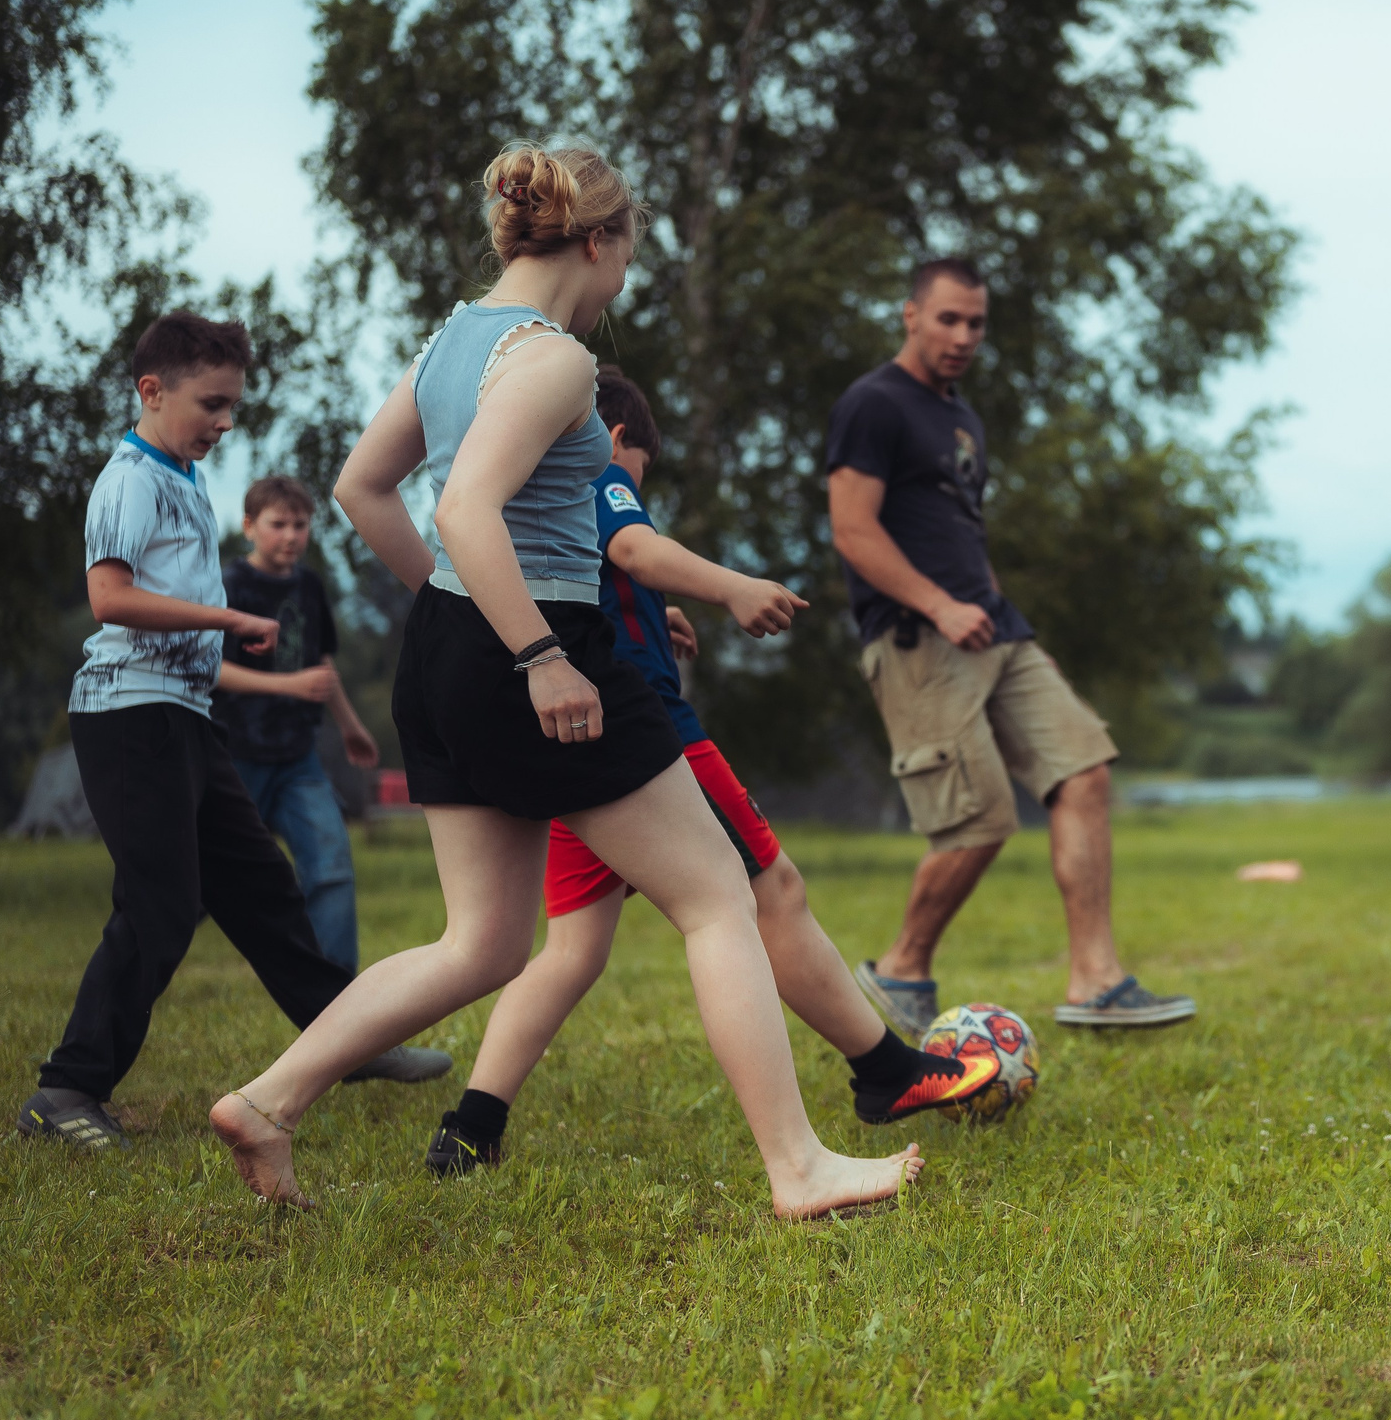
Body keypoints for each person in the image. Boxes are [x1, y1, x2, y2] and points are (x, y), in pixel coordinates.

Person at [211, 143, 923, 1218]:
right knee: (717, 896)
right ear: (600, 240)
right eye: (629, 255)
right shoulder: (554, 360)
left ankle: (270, 1101)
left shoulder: (455, 339)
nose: (624, 282)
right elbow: (462, 511)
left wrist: (460, 614)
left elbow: (365, 489)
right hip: (533, 654)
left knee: (483, 942)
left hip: (447, 655)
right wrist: (536, 652)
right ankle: (799, 1168)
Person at [423, 368, 995, 1174]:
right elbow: (631, 544)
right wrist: (733, 587)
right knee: (772, 891)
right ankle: (887, 1072)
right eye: (642, 469)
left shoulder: (528, 500)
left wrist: (653, 608)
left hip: (575, 745)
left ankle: (471, 1125)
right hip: (651, 738)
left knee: (573, 950)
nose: (634, 483)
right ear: (618, 437)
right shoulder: (600, 467)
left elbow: (601, 574)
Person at [19, 313, 448, 1154]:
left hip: (181, 714)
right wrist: (225, 614)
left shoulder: (183, 476)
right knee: (162, 904)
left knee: (261, 884)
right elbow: (108, 599)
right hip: (125, 714)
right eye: (210, 404)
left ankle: (346, 1037)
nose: (223, 422)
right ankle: (65, 1089)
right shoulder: (129, 479)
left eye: (232, 408)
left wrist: (220, 637)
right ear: (152, 391)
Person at [825, 258, 1194, 1034]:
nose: (964, 336)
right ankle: (900, 967)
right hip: (920, 637)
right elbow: (853, 529)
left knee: (1083, 768)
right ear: (911, 316)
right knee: (981, 820)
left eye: (977, 323)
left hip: (994, 626)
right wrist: (937, 604)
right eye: (949, 319)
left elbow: (966, 532)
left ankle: (1096, 980)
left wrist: (1018, 631)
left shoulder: (963, 419)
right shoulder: (873, 404)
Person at [212, 474, 381, 972]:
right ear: (249, 527)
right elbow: (211, 668)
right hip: (235, 756)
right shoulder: (229, 584)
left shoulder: (308, 585)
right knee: (208, 879)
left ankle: (336, 1007)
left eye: (300, 524)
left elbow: (321, 665)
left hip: (298, 758)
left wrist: (350, 724)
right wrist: (287, 686)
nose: (290, 535)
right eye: (277, 524)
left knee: (330, 867)